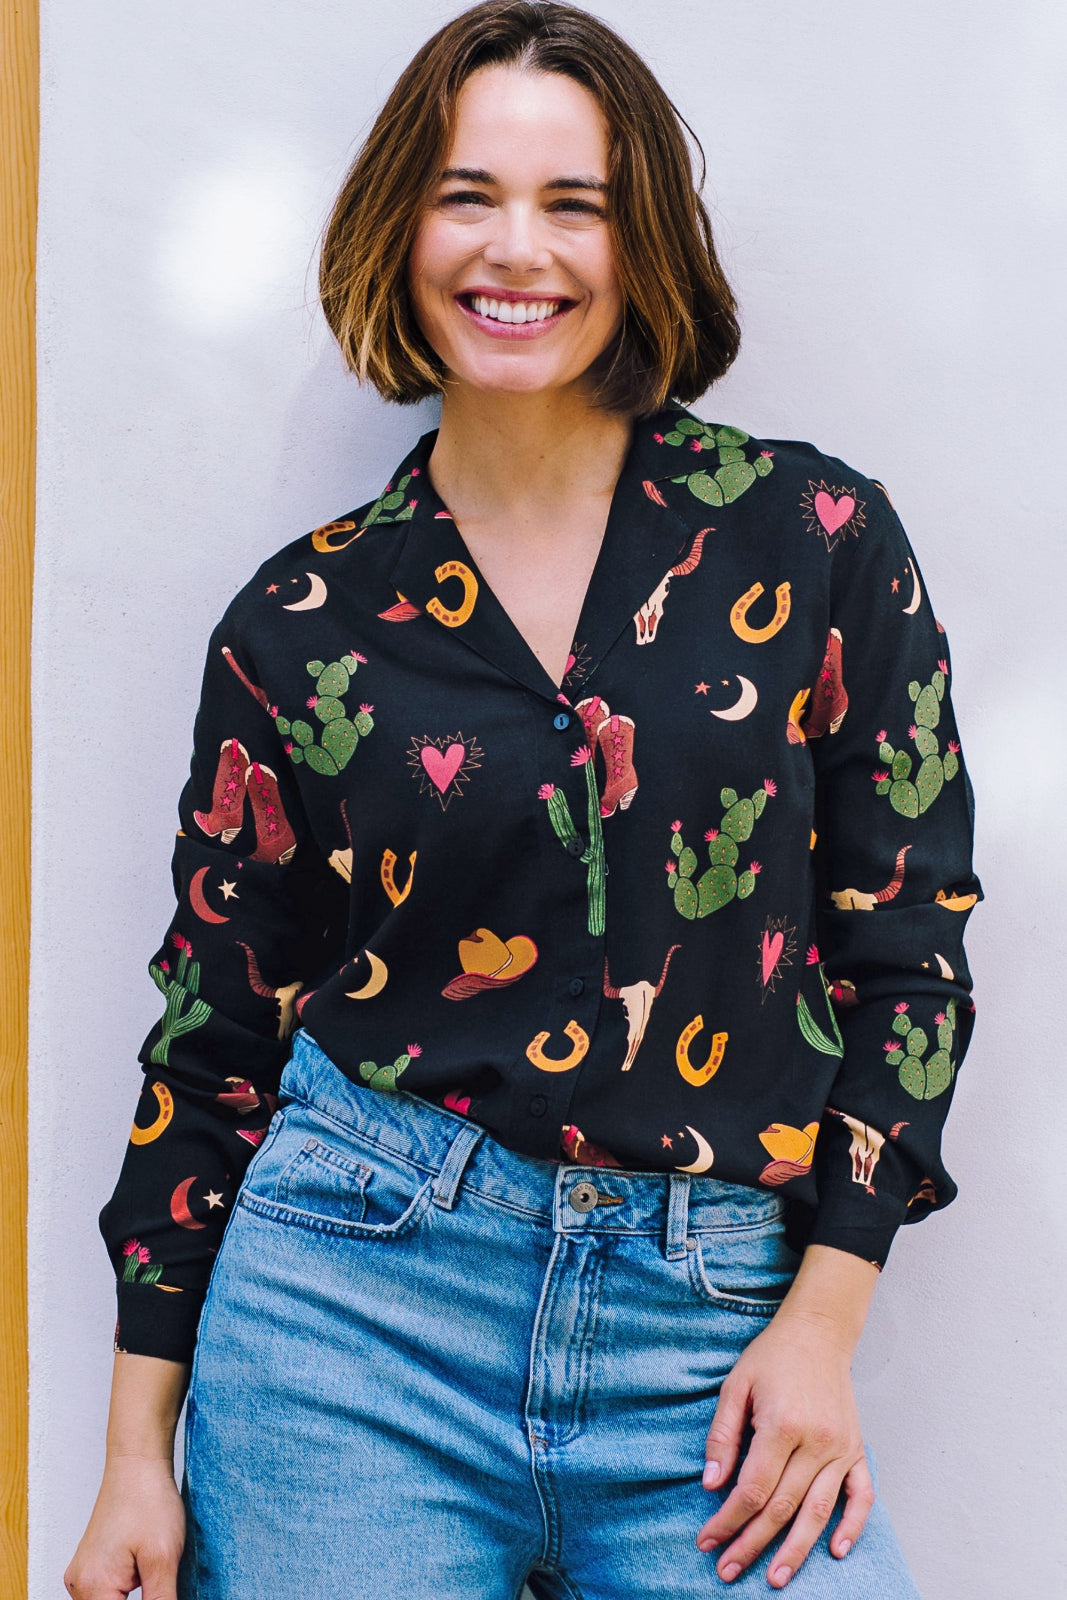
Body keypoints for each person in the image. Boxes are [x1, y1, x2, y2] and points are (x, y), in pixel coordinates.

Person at [65, 3, 981, 1596]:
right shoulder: (301, 625)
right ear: (399, 230)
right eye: (467, 192)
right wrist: (135, 1459)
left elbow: (911, 950)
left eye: (579, 204)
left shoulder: (813, 536)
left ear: (647, 247)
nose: (519, 250)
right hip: (353, 1319)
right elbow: (211, 1028)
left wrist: (822, 1321)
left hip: (709, 1330)